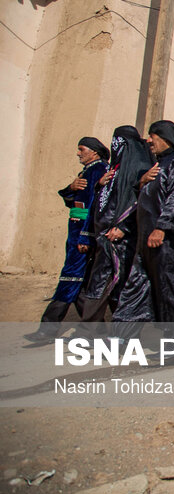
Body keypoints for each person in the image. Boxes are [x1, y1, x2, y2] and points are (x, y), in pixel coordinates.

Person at [24, 138, 110, 342]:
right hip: (76, 235)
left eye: (82, 150)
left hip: (81, 237)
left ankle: (48, 328)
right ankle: (97, 329)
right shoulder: (88, 171)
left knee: (69, 278)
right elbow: (70, 198)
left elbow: (92, 206)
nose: (78, 153)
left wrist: (85, 236)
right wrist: (71, 187)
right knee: (79, 284)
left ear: (95, 152)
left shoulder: (97, 171)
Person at [111, 121, 174, 334]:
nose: (148, 141)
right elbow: (142, 203)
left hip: (166, 243)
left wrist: (162, 228)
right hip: (145, 240)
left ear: (166, 138)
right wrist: (141, 183)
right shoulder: (157, 166)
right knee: (135, 286)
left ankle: (173, 338)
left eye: (152, 136)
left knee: (168, 289)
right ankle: (120, 334)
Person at [77, 126, 155, 323]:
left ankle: (96, 330)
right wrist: (99, 185)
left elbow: (140, 203)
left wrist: (123, 227)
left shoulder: (139, 168)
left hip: (122, 239)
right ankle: (95, 329)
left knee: (113, 283)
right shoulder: (115, 169)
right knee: (103, 283)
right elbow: (102, 202)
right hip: (104, 237)